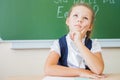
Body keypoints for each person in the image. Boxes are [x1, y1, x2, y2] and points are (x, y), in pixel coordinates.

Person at [44, 3, 104, 79]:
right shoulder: (59, 44)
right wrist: (80, 72)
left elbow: (98, 70)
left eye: (85, 18)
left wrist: (78, 42)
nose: (79, 20)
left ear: (90, 27)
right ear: (68, 21)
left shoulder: (93, 44)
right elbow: (48, 68)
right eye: (75, 15)